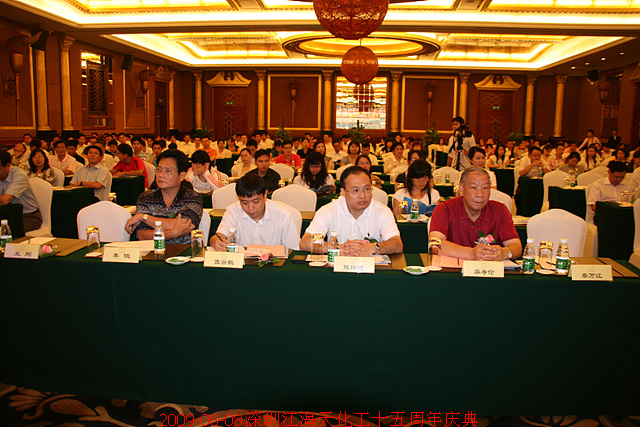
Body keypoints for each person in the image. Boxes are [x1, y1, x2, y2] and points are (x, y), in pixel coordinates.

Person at [300, 166, 403, 256]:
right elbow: (305, 243)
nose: (362, 195)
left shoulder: (383, 211)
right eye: (355, 190)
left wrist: (374, 248)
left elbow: (397, 244)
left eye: (367, 189)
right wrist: (337, 248)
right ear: (343, 192)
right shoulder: (328, 210)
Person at [429, 168, 522, 261]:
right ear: (461, 189)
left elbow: (517, 247)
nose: (480, 194)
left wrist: (504, 252)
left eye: (485, 188)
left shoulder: (499, 210)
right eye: (474, 188)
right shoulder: (445, 208)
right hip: (454, 268)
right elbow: (435, 244)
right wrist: (471, 253)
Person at [125, 149, 202, 244]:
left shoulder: (192, 197)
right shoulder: (145, 198)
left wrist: (144, 217)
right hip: (152, 250)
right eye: (159, 170)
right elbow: (142, 235)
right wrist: (174, 233)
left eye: (168, 171)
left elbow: (185, 224)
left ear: (182, 176)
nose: (161, 175)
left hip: (184, 251)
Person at [209, 174, 300, 251]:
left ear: (265, 195)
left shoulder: (283, 214)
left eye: (256, 202)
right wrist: (215, 241)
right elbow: (219, 236)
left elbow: (293, 249)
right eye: (244, 203)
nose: (251, 208)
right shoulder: (233, 211)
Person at [0, 151, 42, 232]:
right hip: (6, 216)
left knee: (7, 231)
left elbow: (7, 199)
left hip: (29, 217)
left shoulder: (19, 175)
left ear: (8, 165)